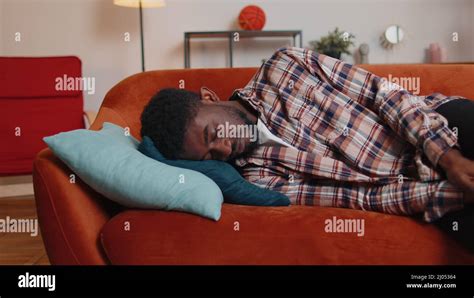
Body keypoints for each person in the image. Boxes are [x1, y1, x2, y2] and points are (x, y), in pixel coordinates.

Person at [140, 47, 474, 231]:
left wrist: (448, 157)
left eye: (214, 134)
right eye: (211, 157)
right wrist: (447, 192)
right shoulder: (260, 178)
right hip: (420, 186)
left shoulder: (284, 67)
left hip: (439, 127)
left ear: (209, 98)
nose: (224, 148)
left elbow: (382, 93)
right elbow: (358, 199)